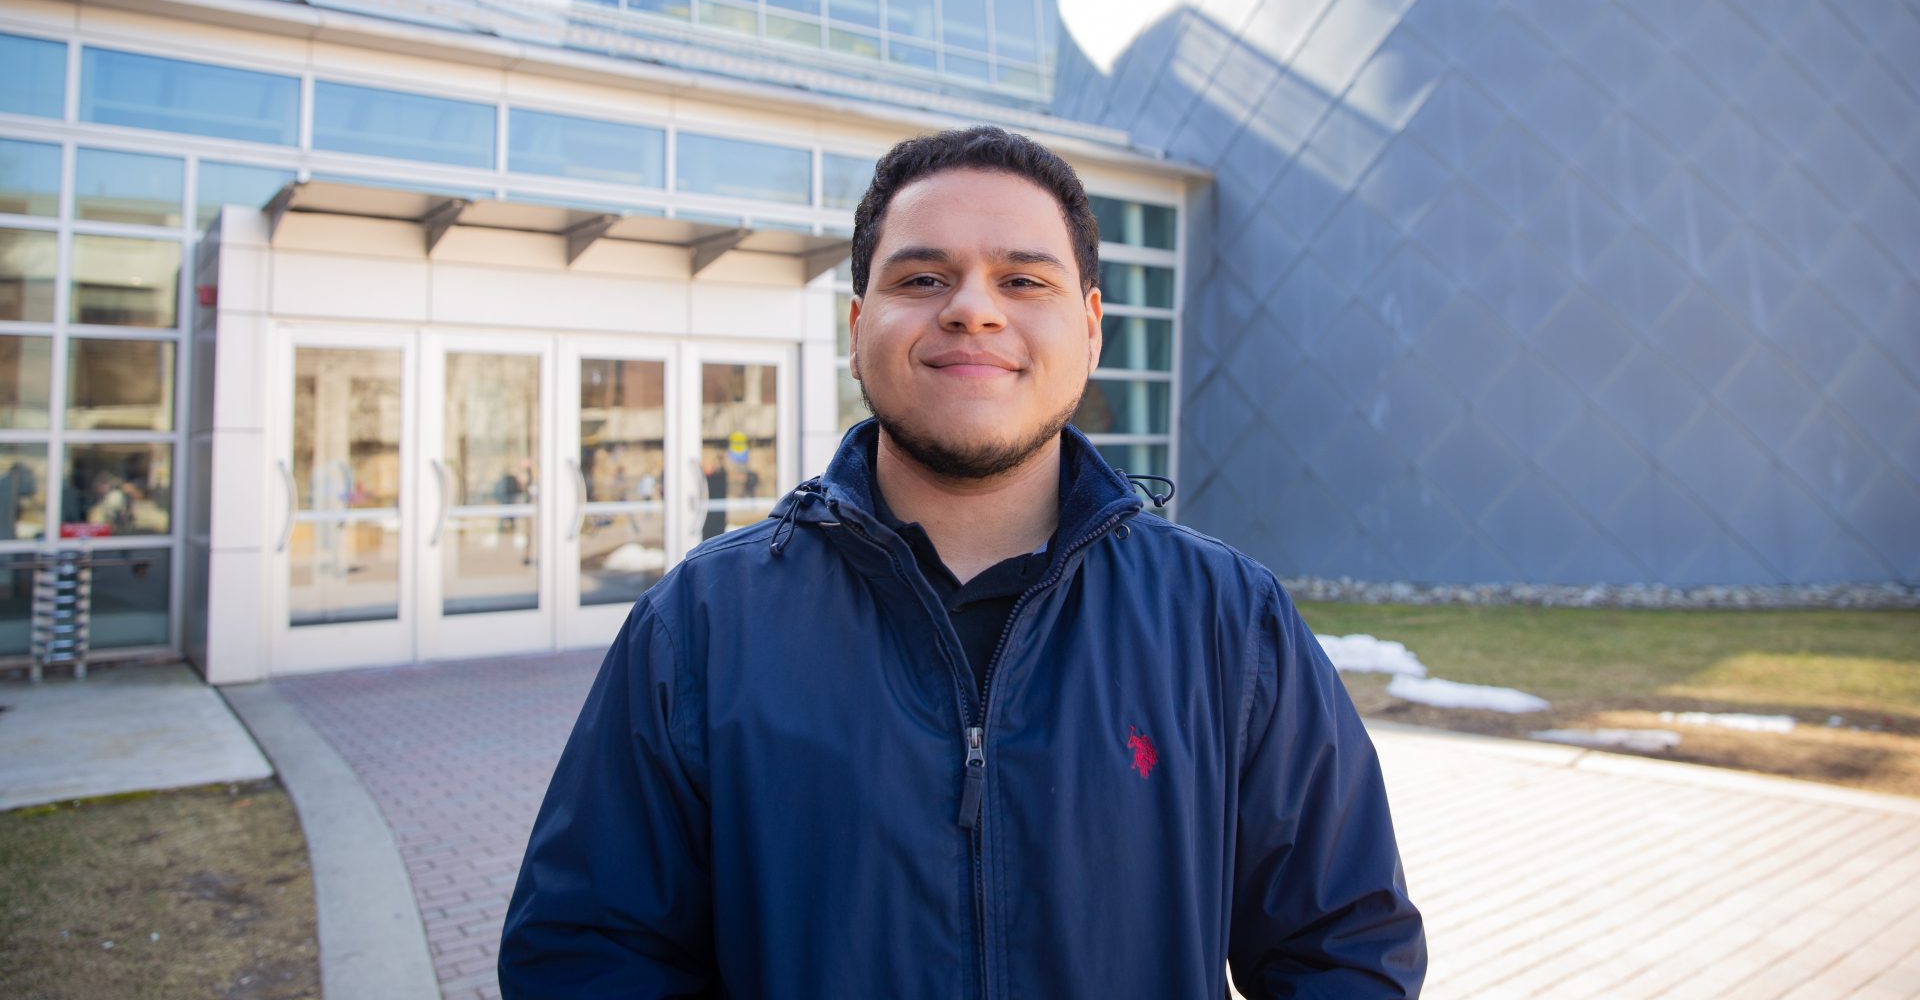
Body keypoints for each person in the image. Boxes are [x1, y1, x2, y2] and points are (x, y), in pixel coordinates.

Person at [499, 125, 1426, 998]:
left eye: (1024, 281)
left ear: (1093, 329)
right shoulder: (702, 625)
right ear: (858, 327)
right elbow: (586, 954)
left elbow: (1345, 950)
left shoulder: (1230, 621)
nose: (973, 310)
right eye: (925, 278)